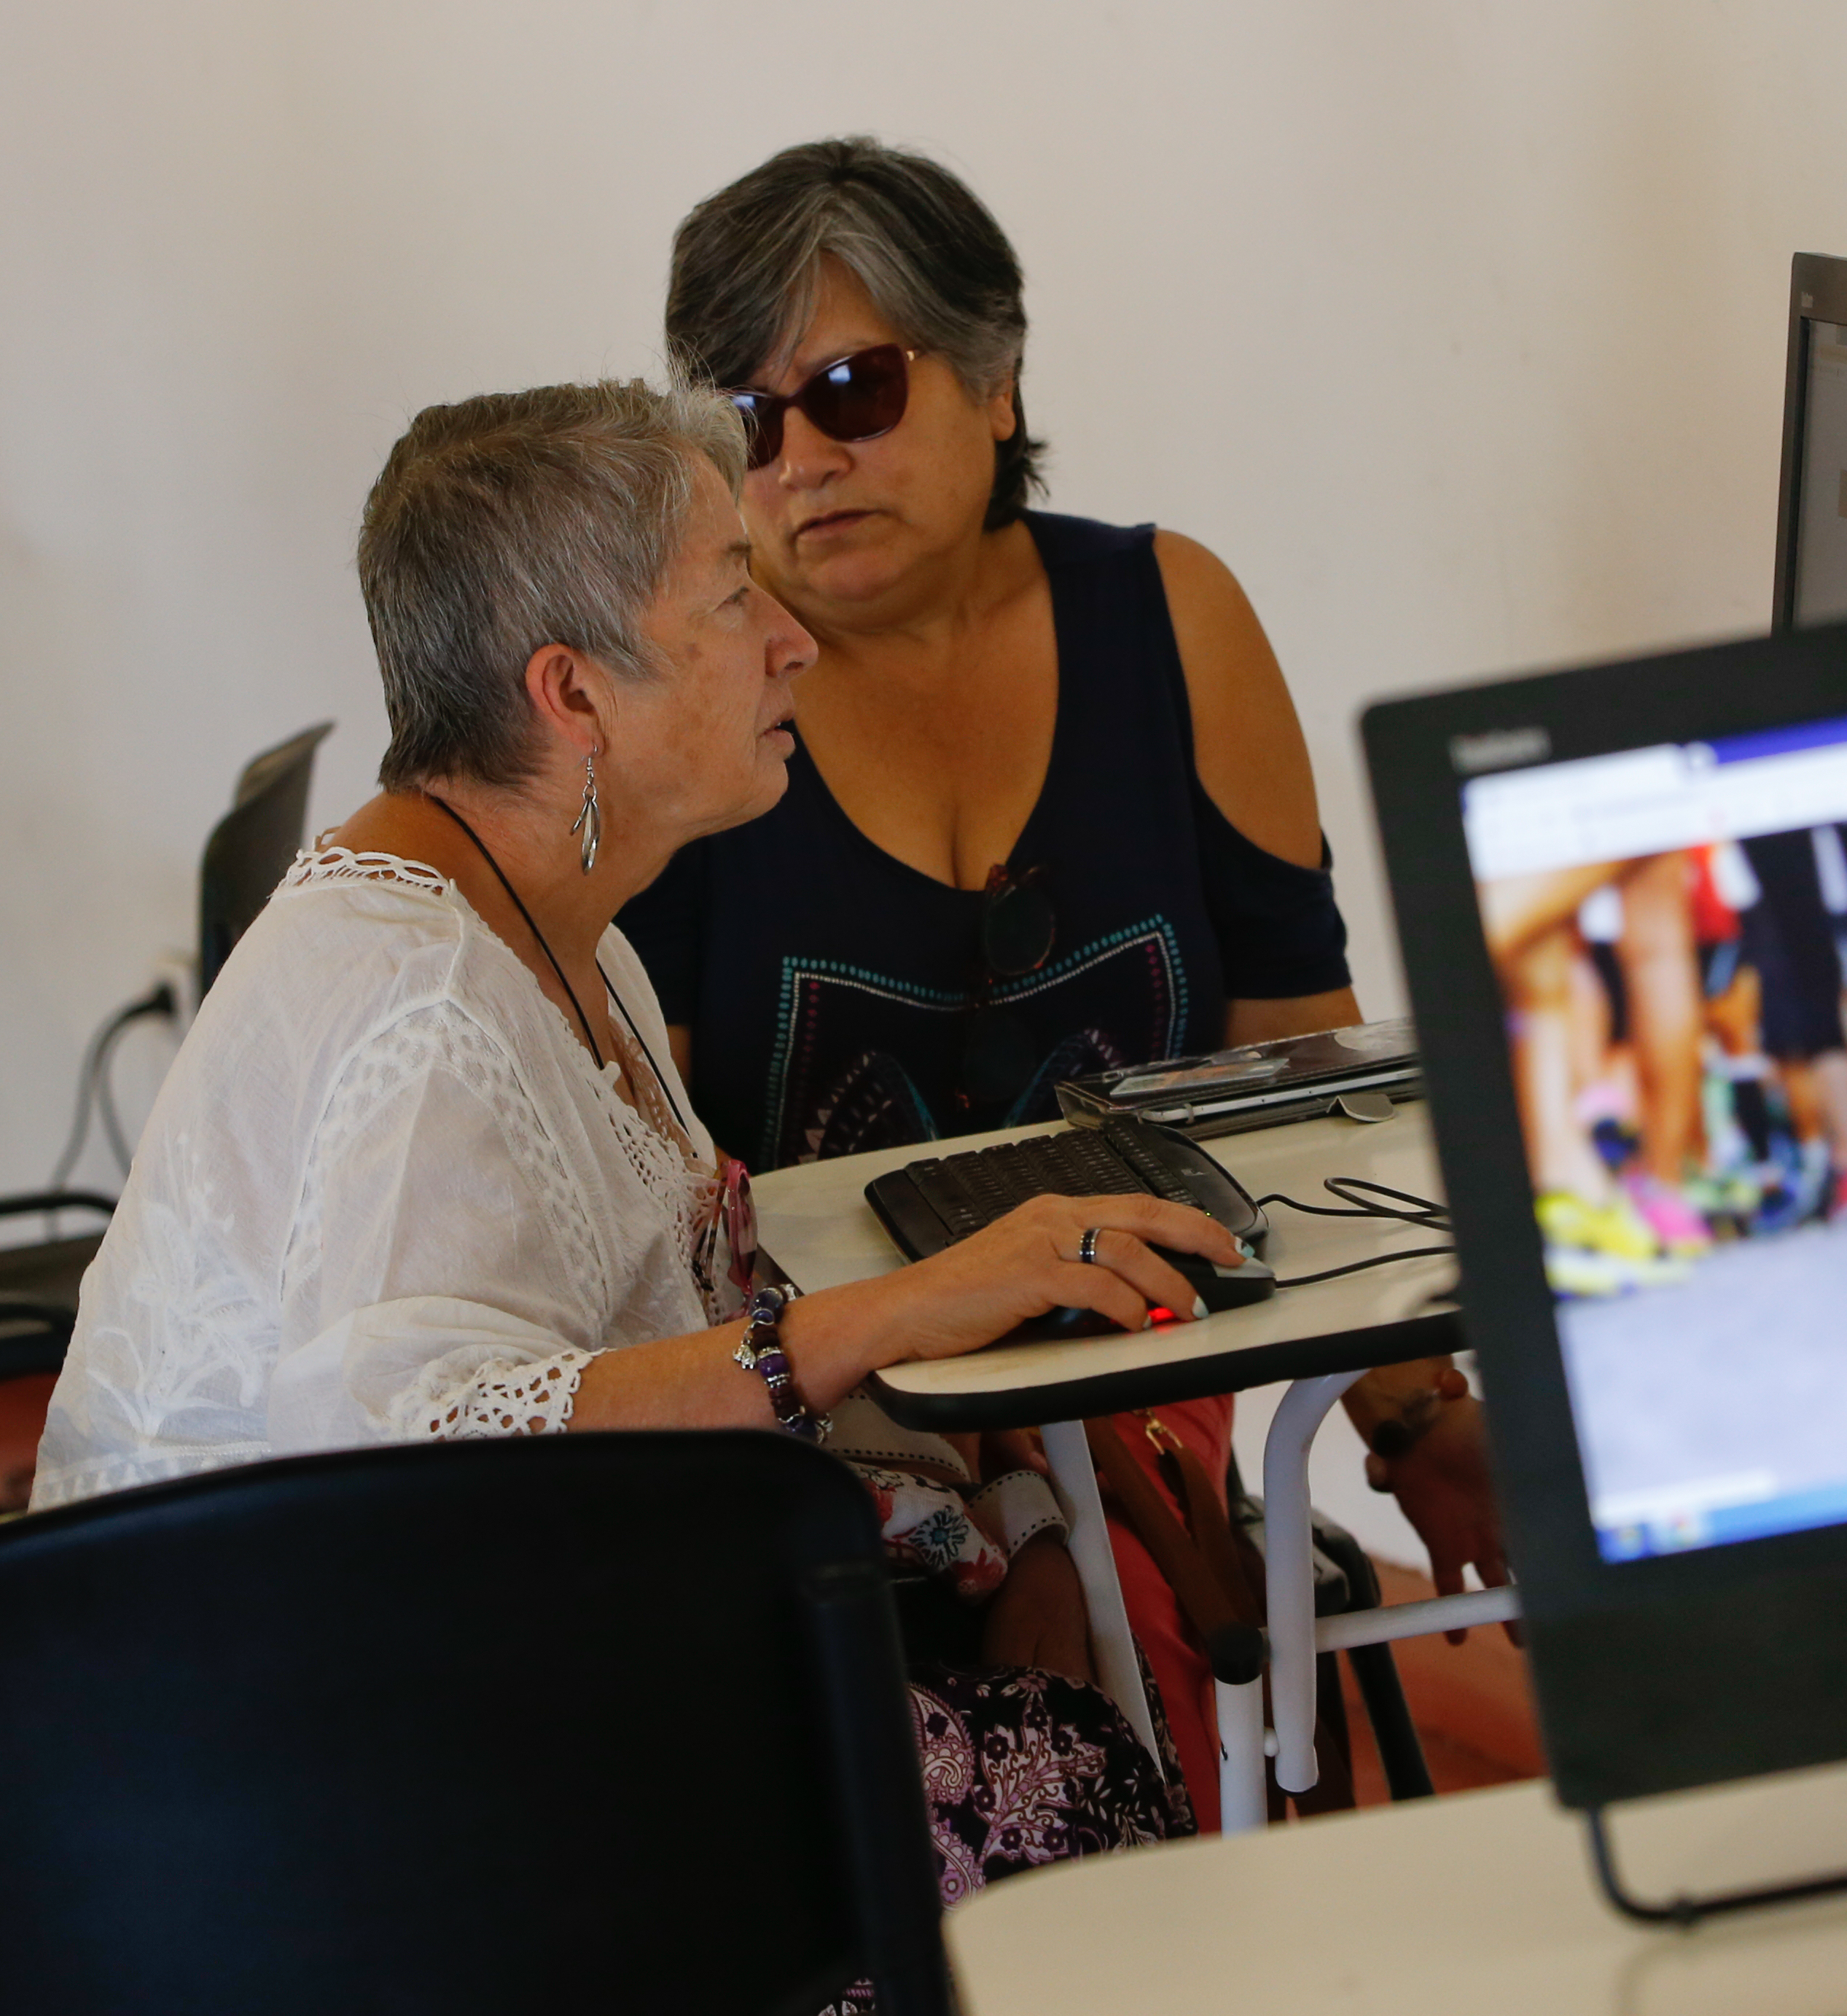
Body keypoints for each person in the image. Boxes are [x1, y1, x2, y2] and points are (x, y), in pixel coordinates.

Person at [35, 380, 1222, 1898]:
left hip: (433, 1706)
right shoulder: (424, 1007)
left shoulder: (556, 922)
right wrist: (884, 1321)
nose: (790, 638)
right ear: (574, 696)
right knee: (1061, 1811)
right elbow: (400, 1445)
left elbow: (657, 1325)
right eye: (734, 596)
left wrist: (1017, 1511)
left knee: (1061, 1738)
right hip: (288, 1819)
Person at [619, 138, 1507, 1819]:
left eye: (851, 391)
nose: (799, 460)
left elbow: (1305, 1102)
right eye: (747, 422)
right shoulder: (700, 703)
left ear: (998, 379)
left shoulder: (1168, 623)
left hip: (1138, 1388)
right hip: (826, 1439)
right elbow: (650, 1217)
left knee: (1137, 1648)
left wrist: (1411, 1419)